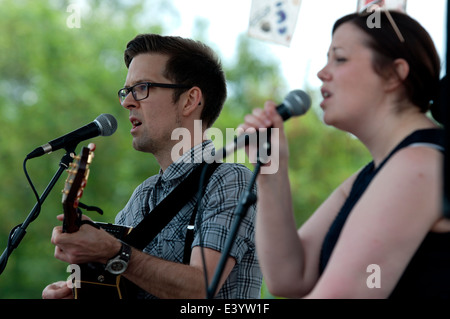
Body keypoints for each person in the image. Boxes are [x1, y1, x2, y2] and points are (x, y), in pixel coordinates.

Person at [240, 10, 450, 299]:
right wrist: (271, 170)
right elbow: (290, 277)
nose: (322, 73)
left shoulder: (419, 165)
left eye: (339, 58)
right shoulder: (371, 175)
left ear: (394, 74)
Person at [42, 34, 262, 299]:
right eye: (126, 91)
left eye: (142, 88)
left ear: (190, 100)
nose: (127, 102)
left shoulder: (231, 180)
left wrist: (113, 251)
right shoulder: (142, 197)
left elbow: (201, 288)